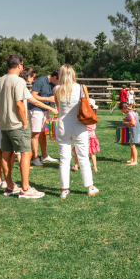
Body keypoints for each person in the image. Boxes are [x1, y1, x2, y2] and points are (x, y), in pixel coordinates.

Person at [0, 54, 44, 199]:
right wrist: (24, 122)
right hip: (16, 124)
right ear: (20, 66)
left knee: (6, 153)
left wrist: (0, 112)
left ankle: (10, 186)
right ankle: (25, 188)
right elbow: (19, 103)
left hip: (4, 124)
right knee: (26, 153)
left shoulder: (0, 80)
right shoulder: (19, 81)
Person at [54, 64, 99, 199]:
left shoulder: (56, 89)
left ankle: (63, 190)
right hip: (79, 124)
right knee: (83, 157)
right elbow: (87, 103)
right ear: (72, 73)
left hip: (63, 124)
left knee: (64, 159)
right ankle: (90, 187)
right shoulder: (81, 87)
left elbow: (57, 106)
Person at [28, 69, 60, 167]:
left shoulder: (53, 84)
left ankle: (44, 156)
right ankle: (35, 158)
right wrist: (48, 99)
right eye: (59, 80)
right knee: (36, 134)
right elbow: (32, 96)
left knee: (43, 134)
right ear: (54, 77)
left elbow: (51, 98)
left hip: (46, 110)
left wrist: (53, 106)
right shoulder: (40, 81)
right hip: (35, 110)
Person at [71, 98, 100, 172]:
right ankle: (94, 167)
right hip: (92, 138)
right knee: (91, 153)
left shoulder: (85, 119)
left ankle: (76, 165)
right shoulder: (94, 118)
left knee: (77, 151)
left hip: (84, 137)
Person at [119, 101, 140, 165]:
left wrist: (125, 123)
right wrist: (127, 120)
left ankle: (135, 161)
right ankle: (132, 159)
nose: (121, 111)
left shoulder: (130, 113)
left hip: (135, 131)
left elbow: (133, 122)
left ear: (124, 108)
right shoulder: (133, 111)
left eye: (121, 110)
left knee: (132, 146)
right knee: (131, 145)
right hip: (135, 130)